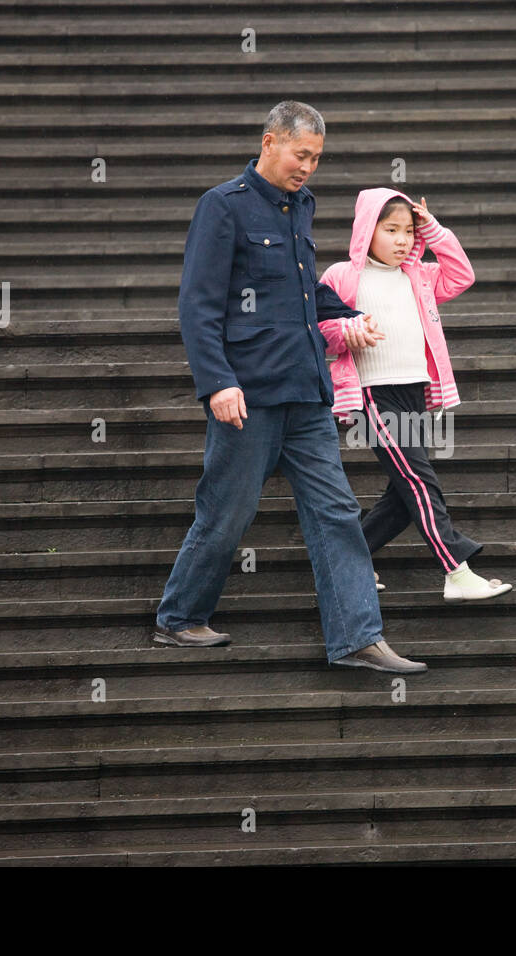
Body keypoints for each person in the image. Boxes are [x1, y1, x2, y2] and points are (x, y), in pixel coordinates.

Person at [153, 102, 427, 674]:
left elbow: (305, 295)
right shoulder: (223, 206)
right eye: (301, 154)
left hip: (306, 392)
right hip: (247, 396)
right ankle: (180, 617)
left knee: (337, 512)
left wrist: (349, 313)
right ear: (269, 142)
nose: (308, 167)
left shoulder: (300, 206)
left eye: (317, 159)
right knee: (227, 514)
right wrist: (217, 383)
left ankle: (357, 637)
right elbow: (198, 305)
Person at [318, 188, 513, 601]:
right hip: (373, 393)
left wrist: (435, 231)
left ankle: (349, 560)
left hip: (415, 391)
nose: (402, 239)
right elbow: (318, 331)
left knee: (403, 493)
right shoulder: (342, 276)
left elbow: (462, 275)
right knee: (420, 482)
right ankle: (456, 571)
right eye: (391, 230)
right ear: (367, 230)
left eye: (408, 230)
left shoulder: (419, 274)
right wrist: (348, 332)